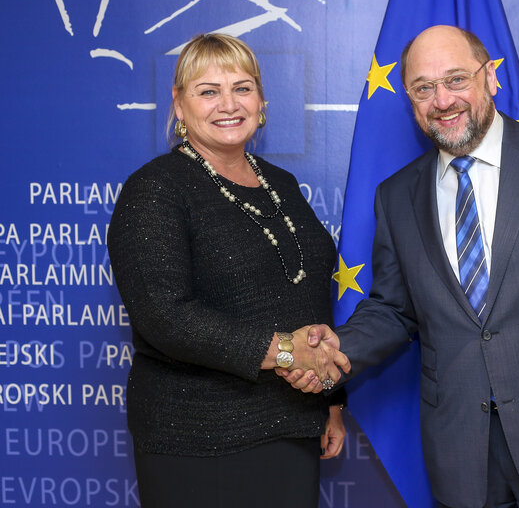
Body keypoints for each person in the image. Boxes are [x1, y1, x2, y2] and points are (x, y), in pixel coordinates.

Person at [282, 26, 519, 508]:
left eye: (456, 79)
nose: (441, 100)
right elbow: (392, 311)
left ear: (491, 78)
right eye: (423, 87)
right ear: (408, 97)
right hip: (463, 459)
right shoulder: (397, 195)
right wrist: (336, 348)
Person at [107, 33, 350, 508]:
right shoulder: (155, 189)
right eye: (208, 91)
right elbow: (164, 317)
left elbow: (308, 296)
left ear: (261, 100)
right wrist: (286, 353)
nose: (228, 104)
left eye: (242, 87)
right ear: (179, 105)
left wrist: (331, 397)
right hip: (200, 441)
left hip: (292, 426)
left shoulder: (279, 182)